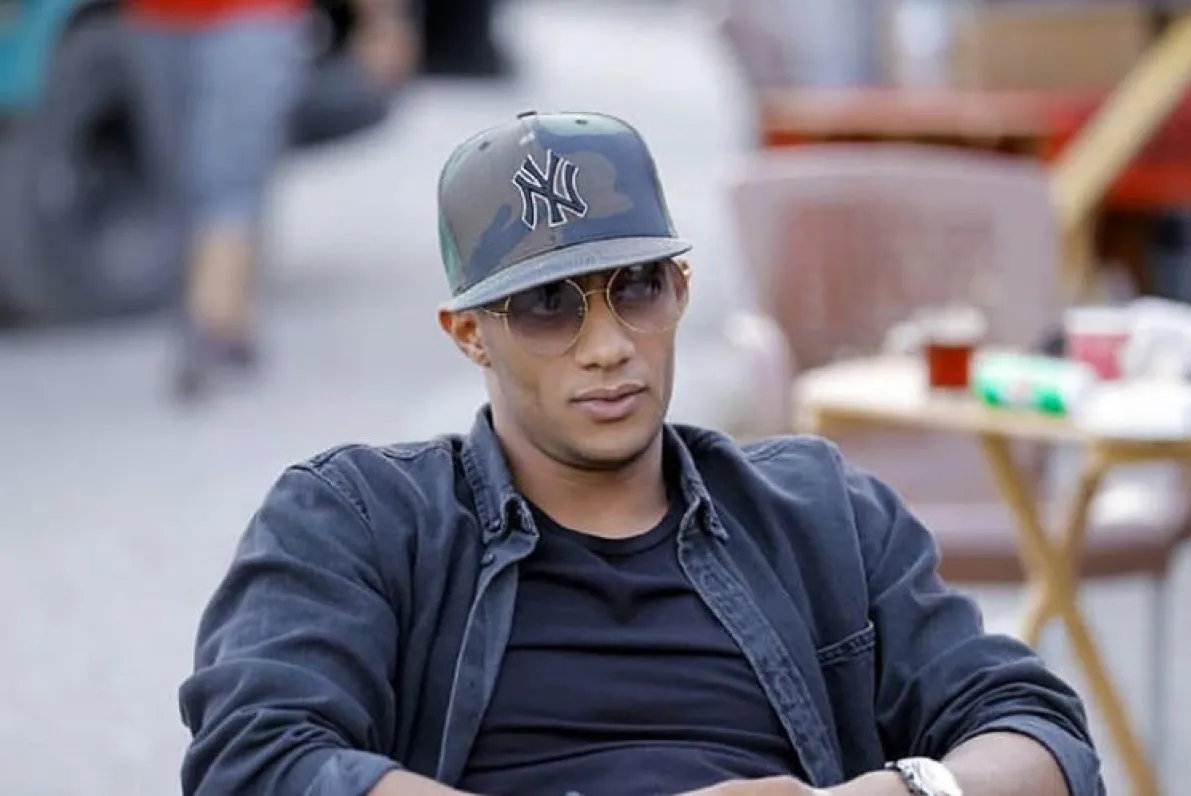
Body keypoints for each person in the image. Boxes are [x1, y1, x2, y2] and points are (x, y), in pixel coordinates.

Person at [179, 111, 1105, 796]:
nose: (608, 344)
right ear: (468, 334)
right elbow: (251, 758)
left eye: (636, 287)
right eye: (548, 306)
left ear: (682, 291)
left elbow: (1040, 733)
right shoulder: (360, 518)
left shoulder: (819, 512)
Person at [123, 0, 416, 400]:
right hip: (155, 17)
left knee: (228, 175)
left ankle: (210, 324)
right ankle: (234, 323)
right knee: (182, 177)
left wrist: (382, 19)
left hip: (254, 15)